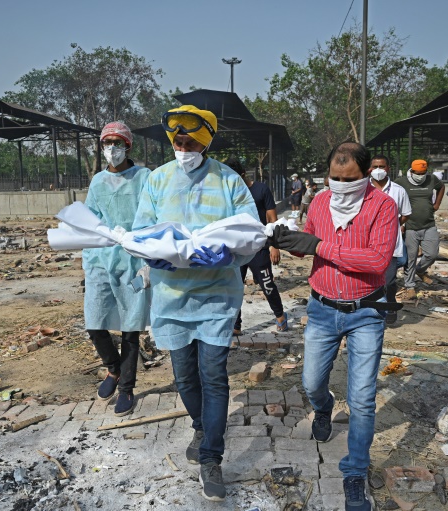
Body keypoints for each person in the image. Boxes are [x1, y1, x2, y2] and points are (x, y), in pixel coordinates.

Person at [133, 105, 259, 502]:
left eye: (188, 140)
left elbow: (252, 232)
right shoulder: (156, 180)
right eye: (176, 139)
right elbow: (140, 230)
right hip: (171, 298)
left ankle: (211, 457)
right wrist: (148, 254)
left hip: (218, 296)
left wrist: (230, 256)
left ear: (205, 139)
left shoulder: (229, 181)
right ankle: (201, 425)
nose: (180, 145)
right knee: (185, 376)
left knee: (213, 375)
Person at [274, 142, 398, 511]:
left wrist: (319, 246)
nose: (341, 184)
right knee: (312, 382)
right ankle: (324, 406)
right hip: (323, 308)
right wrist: (287, 239)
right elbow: (307, 243)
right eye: (335, 178)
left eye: (350, 179)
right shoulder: (319, 203)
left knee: (361, 398)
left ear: (365, 175)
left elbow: (377, 261)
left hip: (366, 311)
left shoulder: (383, 206)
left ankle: (355, 473)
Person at [84, 121, 151, 416]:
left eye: (117, 143)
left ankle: (127, 389)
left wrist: (149, 259)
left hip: (134, 260)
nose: (112, 149)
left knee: (130, 327)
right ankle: (114, 369)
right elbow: (89, 220)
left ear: (128, 146)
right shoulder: (97, 182)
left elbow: (153, 214)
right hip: (101, 258)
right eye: (106, 143)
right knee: (95, 322)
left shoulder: (144, 178)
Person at [227, 159, 288, 336]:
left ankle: (280, 316)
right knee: (235, 287)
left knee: (267, 285)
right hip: (237, 248)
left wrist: (274, 246)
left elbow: (272, 219)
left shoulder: (261, 190)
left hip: (259, 247)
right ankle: (236, 325)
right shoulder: (230, 194)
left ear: (243, 175)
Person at [394, 159, 445, 300]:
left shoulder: (431, 179)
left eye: (423, 172)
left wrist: (437, 204)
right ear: (412, 171)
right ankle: (410, 286)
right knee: (411, 258)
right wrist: (400, 222)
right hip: (410, 226)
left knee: (432, 254)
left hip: (429, 224)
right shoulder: (401, 182)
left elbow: (441, 187)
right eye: (418, 173)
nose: (421, 175)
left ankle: (420, 270)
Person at [369, 155, 411, 325]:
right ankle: (373, 311)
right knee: (370, 280)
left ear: (388, 168)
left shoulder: (398, 191)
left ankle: (391, 305)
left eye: (382, 166)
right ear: (369, 169)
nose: (378, 170)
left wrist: (391, 226)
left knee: (389, 280)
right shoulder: (363, 189)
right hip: (367, 243)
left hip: (390, 243)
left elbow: (406, 214)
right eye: (375, 166)